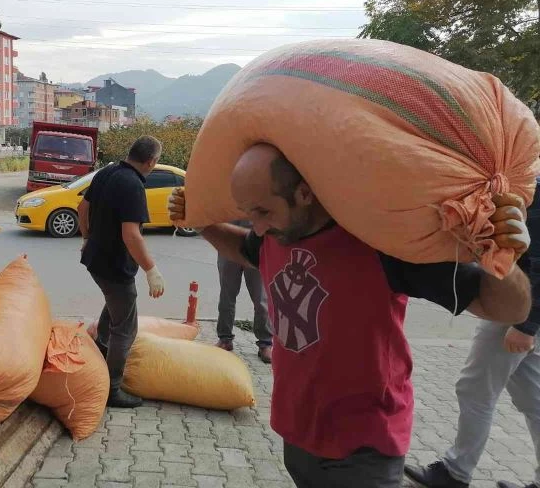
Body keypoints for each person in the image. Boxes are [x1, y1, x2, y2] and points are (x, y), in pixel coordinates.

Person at [167, 143, 532, 488]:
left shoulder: (381, 242)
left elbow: (507, 308)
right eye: (250, 214)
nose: (257, 226)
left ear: (304, 193)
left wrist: (501, 258)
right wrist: (200, 222)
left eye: (263, 212)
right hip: (296, 432)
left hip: (363, 448)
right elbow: (244, 249)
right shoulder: (275, 234)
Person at [404, 179, 540, 488]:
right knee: (532, 396)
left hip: (518, 308)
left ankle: (455, 472)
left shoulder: (535, 187)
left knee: (475, 389)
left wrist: (526, 326)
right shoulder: (529, 183)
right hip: (522, 306)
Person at [78, 135, 166, 408]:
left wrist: (86, 238)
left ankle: (99, 351)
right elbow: (131, 235)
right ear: (150, 161)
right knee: (126, 328)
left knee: (116, 306)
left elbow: (82, 208)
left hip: (96, 260)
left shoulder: (107, 173)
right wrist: (151, 269)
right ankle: (111, 389)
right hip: (114, 266)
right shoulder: (133, 185)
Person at [216, 220, 273, 363]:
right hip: (228, 242)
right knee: (226, 296)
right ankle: (225, 339)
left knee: (261, 299)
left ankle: (265, 343)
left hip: (256, 241)